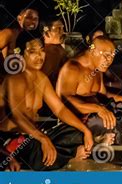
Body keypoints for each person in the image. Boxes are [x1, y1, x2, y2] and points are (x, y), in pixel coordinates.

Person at [0, 37, 93, 171]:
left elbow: (59, 109)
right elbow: (17, 116)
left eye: (42, 51)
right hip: (11, 138)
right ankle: (67, 155)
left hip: (34, 135)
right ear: (19, 53)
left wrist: (85, 130)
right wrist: (43, 139)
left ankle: (60, 154)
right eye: (33, 51)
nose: (39, 56)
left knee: (77, 132)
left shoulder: (41, 78)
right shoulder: (15, 78)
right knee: (37, 151)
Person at [56, 36, 122, 145]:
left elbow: (104, 95)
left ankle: (108, 136)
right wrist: (97, 109)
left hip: (97, 112)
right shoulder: (72, 68)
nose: (110, 60)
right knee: (103, 121)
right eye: (106, 55)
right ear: (93, 51)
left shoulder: (98, 68)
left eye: (112, 56)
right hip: (78, 120)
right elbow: (64, 101)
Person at [41, 19, 67, 86]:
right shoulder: (51, 52)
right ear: (46, 31)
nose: (62, 31)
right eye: (58, 28)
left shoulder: (57, 48)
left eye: (62, 28)